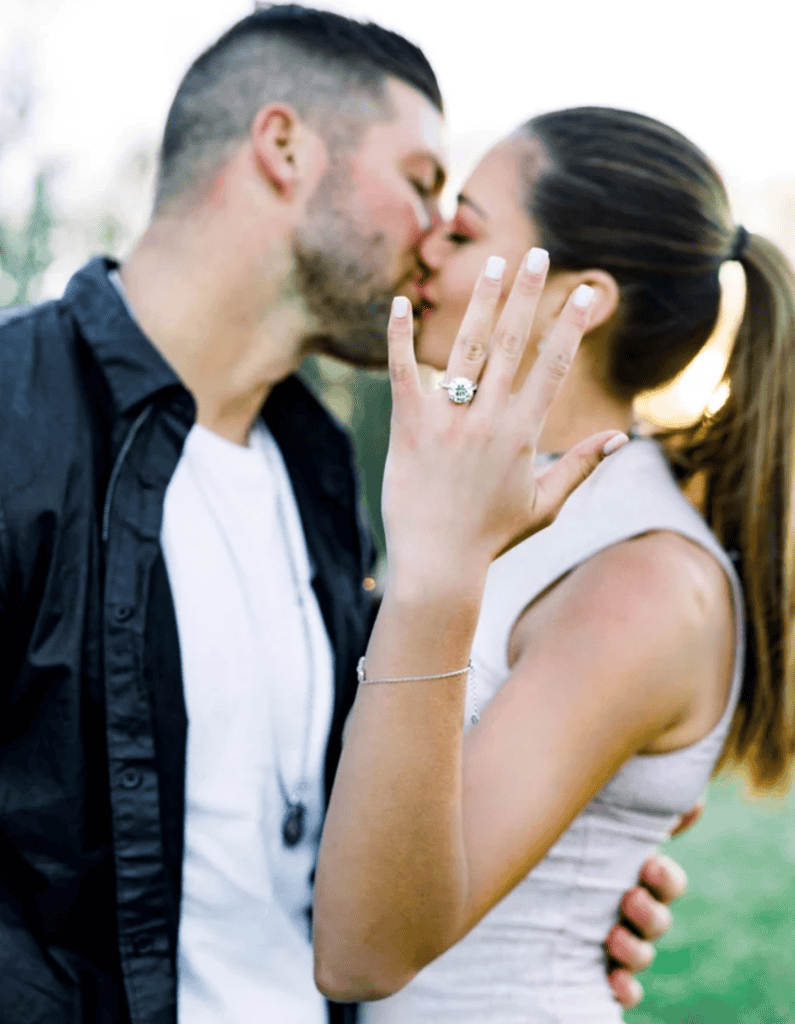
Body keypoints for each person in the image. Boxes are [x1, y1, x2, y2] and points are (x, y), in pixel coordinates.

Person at [0, 6, 690, 1021]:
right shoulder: (17, 421)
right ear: (284, 147)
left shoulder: (324, 471)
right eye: (420, 185)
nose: (435, 240)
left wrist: (547, 891)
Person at [313, 106, 795, 1021]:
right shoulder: (504, 504)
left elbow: (363, 950)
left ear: (581, 301)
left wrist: (434, 569)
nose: (424, 252)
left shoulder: (644, 585)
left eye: (463, 230)